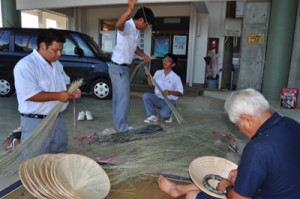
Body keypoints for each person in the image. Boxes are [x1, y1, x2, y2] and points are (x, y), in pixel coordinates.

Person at [158, 88, 300, 199]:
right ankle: (179, 189)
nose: (240, 130)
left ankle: (184, 191)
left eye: (237, 125)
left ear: (247, 119)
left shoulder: (257, 148)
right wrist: (241, 173)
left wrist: (225, 188)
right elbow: (277, 164)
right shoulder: (292, 124)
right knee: (231, 177)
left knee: (193, 196)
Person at [13, 28, 81, 154]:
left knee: (59, 151)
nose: (59, 54)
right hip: (36, 121)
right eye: (55, 50)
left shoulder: (56, 64)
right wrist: (58, 96)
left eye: (61, 50)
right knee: (35, 159)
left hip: (57, 118)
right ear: (43, 46)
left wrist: (71, 90)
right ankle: (17, 140)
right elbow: (30, 95)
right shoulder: (26, 66)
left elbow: (65, 84)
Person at [108, 0, 154, 133]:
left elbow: (134, 48)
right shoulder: (128, 26)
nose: (146, 27)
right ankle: (122, 129)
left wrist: (143, 55)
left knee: (119, 98)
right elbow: (118, 25)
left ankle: (119, 126)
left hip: (121, 68)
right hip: (118, 67)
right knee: (124, 99)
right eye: (147, 24)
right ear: (141, 20)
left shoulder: (136, 31)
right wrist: (129, 8)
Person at [143, 53, 183, 123]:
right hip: (158, 99)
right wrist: (149, 76)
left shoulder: (176, 77)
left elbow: (180, 93)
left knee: (163, 115)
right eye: (164, 60)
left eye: (168, 61)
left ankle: (169, 114)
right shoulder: (158, 73)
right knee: (146, 96)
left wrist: (170, 92)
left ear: (173, 64)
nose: (165, 62)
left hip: (170, 101)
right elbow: (150, 86)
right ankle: (152, 116)